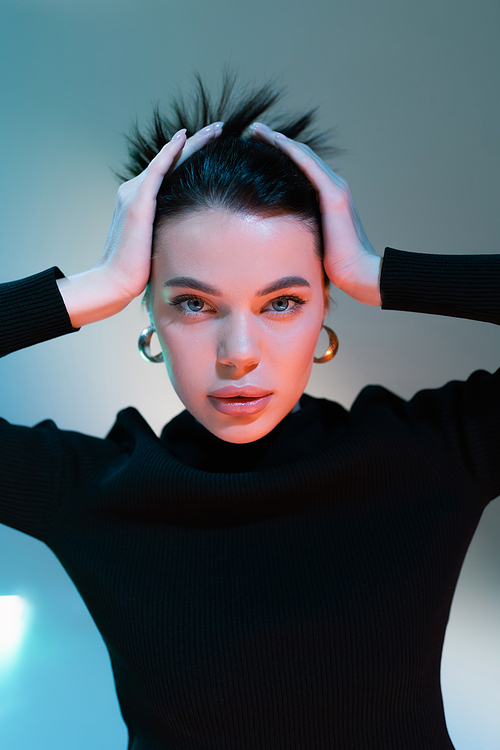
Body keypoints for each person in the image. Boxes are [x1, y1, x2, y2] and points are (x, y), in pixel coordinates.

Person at [1, 75, 498, 749]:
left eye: (282, 302)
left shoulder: (435, 452)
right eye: (194, 303)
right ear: (150, 314)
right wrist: (93, 287)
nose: (239, 354)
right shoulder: (89, 488)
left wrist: (381, 273)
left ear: (327, 302)